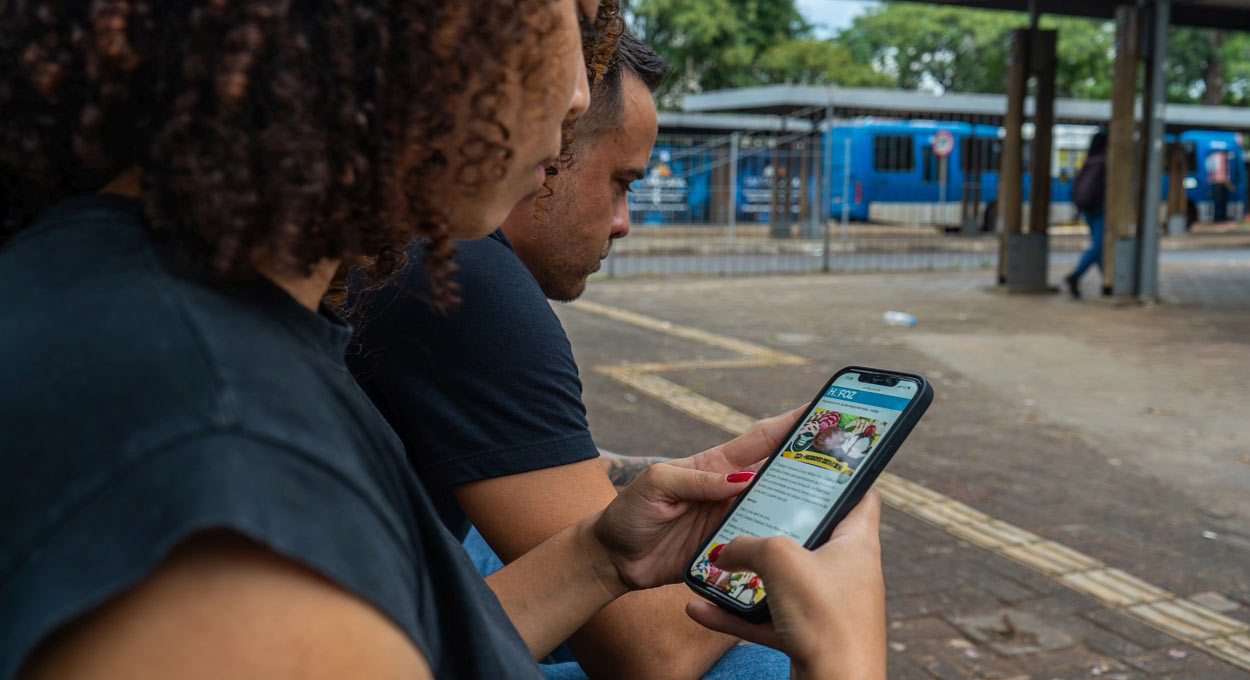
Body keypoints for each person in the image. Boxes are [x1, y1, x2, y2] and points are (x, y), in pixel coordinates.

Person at [1, 3, 887, 680]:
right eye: (570, 26)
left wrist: (597, 558)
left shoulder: (133, 290)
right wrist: (848, 662)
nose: (582, 92)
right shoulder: (230, 488)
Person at [348, 31, 787, 679]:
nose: (623, 220)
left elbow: (537, 463)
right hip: (356, 626)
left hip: (370, 573)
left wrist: (684, 476)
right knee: (759, 671)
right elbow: (653, 652)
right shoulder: (460, 270)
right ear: (542, 151)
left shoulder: (396, 235)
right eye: (619, 182)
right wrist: (824, 598)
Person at [1065, 132, 1108, 298]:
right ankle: (1075, 275)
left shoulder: (1089, 160)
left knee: (1099, 246)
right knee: (1099, 246)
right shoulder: (1105, 161)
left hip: (1086, 208)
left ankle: (1108, 280)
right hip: (1100, 208)